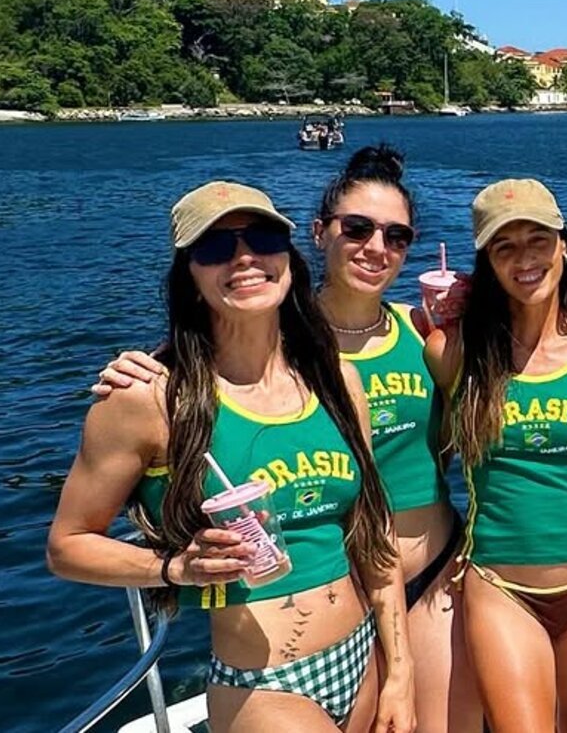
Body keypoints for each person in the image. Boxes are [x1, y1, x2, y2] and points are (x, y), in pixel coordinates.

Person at [90, 147, 479, 732]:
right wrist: (139, 367)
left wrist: (480, 318)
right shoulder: (283, 343)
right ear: (319, 235)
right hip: (332, 582)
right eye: (358, 228)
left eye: (396, 236)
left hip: (428, 573)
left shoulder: (419, 329)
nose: (377, 247)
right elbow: (207, 371)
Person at [424, 177, 567, 732]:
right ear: (487, 263)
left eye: (537, 240)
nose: (525, 259)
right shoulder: (454, 352)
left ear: (564, 245)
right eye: (505, 246)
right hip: (501, 589)